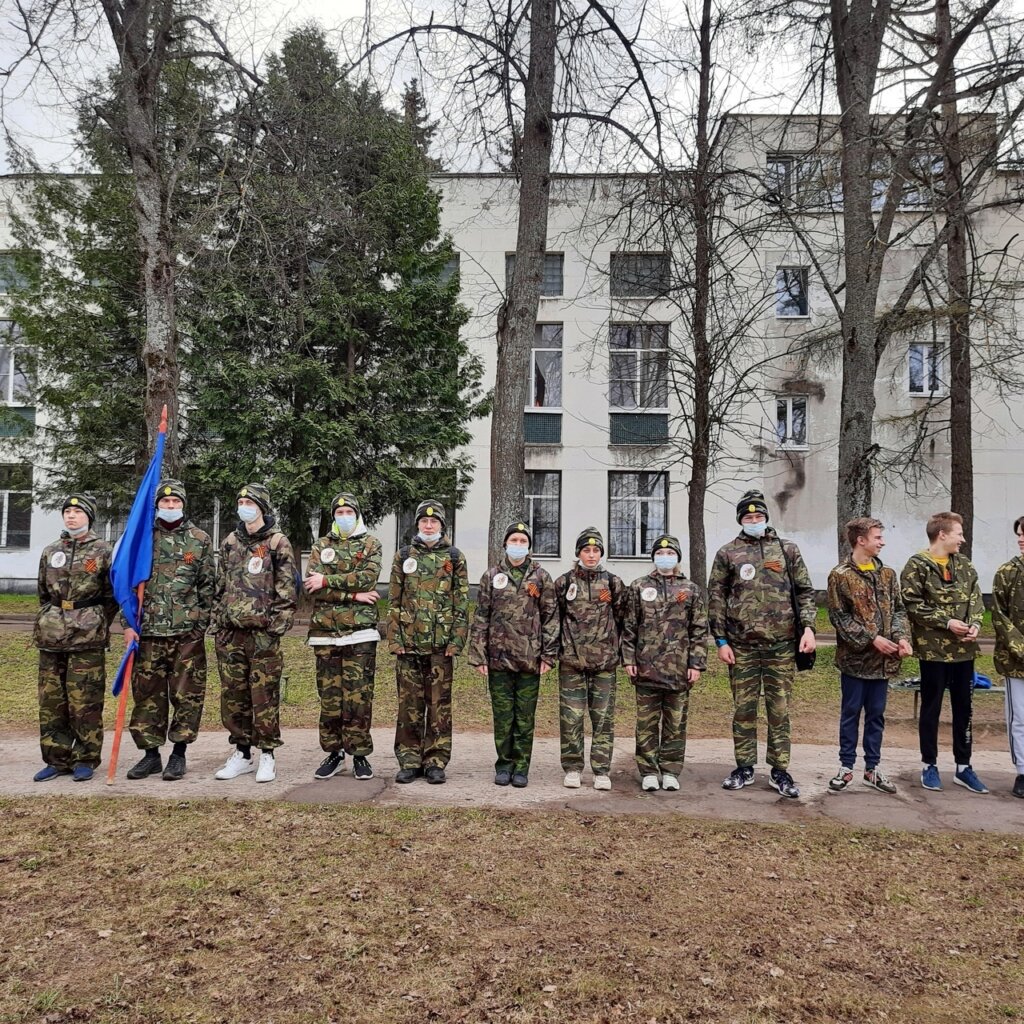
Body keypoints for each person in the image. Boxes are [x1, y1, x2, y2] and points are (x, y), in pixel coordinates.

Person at [708, 489, 816, 799]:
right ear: (740, 520)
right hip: (741, 646)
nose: (753, 520)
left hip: (780, 646)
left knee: (779, 710)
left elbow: (805, 591)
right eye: (748, 517)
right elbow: (715, 597)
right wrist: (720, 640)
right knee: (743, 709)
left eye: (758, 516)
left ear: (766, 518)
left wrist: (808, 628)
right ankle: (744, 767)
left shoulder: (787, 550)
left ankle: (780, 770)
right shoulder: (728, 553)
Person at [124, 479, 215, 782]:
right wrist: (128, 625)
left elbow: (207, 586)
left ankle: (178, 754)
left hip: (185, 635)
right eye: (165, 503)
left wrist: (199, 625)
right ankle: (150, 756)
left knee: (186, 695)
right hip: (148, 632)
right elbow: (127, 586)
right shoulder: (142, 538)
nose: (171, 507)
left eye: (176, 503)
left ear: (183, 505)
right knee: (147, 696)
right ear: (157, 506)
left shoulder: (199, 539)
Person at [211, 483, 297, 784]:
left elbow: (287, 592)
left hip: (262, 635)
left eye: (249, 501)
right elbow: (219, 586)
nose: (244, 506)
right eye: (240, 501)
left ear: (261, 507)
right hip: (231, 634)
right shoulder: (231, 541)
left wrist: (274, 629)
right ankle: (242, 754)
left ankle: (267, 755)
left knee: (264, 696)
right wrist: (218, 623)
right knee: (233, 696)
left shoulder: (277, 543)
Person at [901, 511, 988, 794]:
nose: (962, 539)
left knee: (965, 710)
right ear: (942, 535)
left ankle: (964, 767)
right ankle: (930, 764)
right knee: (931, 710)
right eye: (958, 534)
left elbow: (976, 599)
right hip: (934, 653)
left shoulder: (964, 565)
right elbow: (912, 604)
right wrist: (947, 622)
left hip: (964, 652)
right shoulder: (918, 566)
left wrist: (974, 624)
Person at [32, 493, 117, 782]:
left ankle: (86, 757)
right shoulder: (51, 550)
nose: (71, 516)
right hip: (52, 635)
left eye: (78, 512)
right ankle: (56, 759)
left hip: (87, 636)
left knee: (85, 700)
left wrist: (93, 619)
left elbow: (111, 594)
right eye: (67, 511)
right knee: (51, 701)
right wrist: (52, 618)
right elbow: (43, 592)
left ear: (89, 517)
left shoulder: (103, 550)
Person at [469, 520, 558, 788]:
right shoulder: (491, 576)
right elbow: (481, 616)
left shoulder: (541, 576)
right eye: (514, 541)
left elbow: (551, 618)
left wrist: (548, 656)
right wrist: (479, 655)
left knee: (525, 716)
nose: (518, 545)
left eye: (523, 541)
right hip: (498, 658)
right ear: (505, 544)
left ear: (529, 546)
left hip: (530, 660)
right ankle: (504, 765)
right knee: (503, 715)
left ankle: (521, 766)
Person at [826, 517, 912, 795]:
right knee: (851, 713)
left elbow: (898, 610)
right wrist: (872, 638)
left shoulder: (887, 574)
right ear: (860, 540)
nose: (882, 541)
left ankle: (873, 769)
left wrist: (901, 638)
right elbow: (839, 617)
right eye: (877, 537)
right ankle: (846, 767)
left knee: (876, 715)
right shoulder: (840, 575)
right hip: (855, 662)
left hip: (882, 664)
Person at [386, 500, 469, 784]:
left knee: (439, 706)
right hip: (408, 644)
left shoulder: (455, 557)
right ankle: (409, 759)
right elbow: (393, 601)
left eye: (434, 522)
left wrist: (456, 641)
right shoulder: (404, 556)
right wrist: (394, 639)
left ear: (442, 526)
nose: (429, 525)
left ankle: (435, 760)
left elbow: (461, 603)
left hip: (440, 645)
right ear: (418, 524)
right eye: (424, 521)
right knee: (409, 705)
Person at [303, 492, 382, 782]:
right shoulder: (321, 545)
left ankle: (360, 755)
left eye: (349, 511)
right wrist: (352, 595)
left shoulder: (372, 544)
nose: (344, 516)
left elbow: (368, 579)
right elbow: (311, 587)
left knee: (359, 698)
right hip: (325, 634)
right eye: (339, 512)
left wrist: (328, 579)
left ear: (357, 514)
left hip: (360, 633)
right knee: (330, 699)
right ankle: (335, 753)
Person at [621, 534, 707, 792]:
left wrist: (696, 663)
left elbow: (699, 630)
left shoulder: (690, 589)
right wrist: (628, 659)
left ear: (677, 558)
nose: (665, 557)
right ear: (654, 557)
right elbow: (629, 627)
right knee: (646, 723)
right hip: (646, 668)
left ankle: (670, 769)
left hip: (678, 670)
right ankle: (647, 770)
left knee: (675, 723)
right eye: (660, 553)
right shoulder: (638, 586)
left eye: (670, 553)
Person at [554, 527, 626, 790]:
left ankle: (601, 770)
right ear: (578, 553)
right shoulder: (564, 583)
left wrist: (617, 651)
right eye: (587, 550)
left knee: (603, 717)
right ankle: (573, 767)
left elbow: (622, 619)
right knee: (571, 717)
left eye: (596, 550)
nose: (592, 555)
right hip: (572, 662)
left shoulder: (613, 583)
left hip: (605, 663)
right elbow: (555, 619)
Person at [992, 516, 1024, 799]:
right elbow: (999, 616)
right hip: (1016, 662)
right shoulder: (1007, 572)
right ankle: (1023, 772)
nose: (1021, 539)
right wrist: (1020, 648)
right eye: (1019, 535)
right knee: (1020, 718)